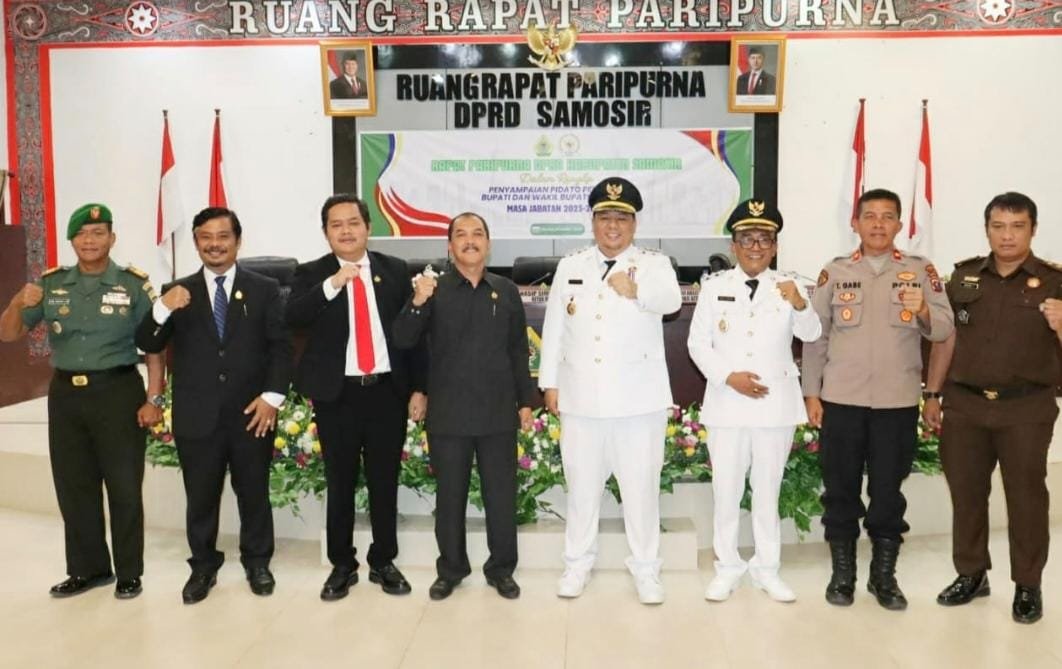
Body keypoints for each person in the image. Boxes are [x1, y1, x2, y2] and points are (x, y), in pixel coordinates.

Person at [0, 203, 163, 600]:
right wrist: (18, 301)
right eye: (82, 235)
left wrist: (154, 397)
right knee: (74, 487)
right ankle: (89, 570)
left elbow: (155, 347)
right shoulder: (51, 284)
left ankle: (129, 573)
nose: (90, 241)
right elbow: (8, 334)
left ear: (112, 238)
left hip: (118, 392)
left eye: (98, 233)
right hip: (66, 397)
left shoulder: (132, 285)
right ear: (71, 241)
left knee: (124, 487)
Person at [802, 188, 954, 610]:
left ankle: (883, 578)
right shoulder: (834, 272)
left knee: (888, 493)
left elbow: (944, 330)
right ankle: (843, 575)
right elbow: (816, 339)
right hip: (842, 400)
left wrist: (923, 310)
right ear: (855, 223)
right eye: (869, 216)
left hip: (896, 403)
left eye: (888, 217)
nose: (878, 224)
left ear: (899, 225)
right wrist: (811, 393)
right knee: (840, 491)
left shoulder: (920, 270)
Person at [135, 207, 292, 604]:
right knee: (201, 497)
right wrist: (162, 307)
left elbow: (280, 348)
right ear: (196, 242)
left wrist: (272, 397)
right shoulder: (176, 290)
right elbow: (148, 341)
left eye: (223, 236)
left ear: (238, 241)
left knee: (253, 493)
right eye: (206, 237)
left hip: (251, 414)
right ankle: (203, 566)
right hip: (197, 414)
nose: (215, 244)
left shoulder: (264, 288)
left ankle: (257, 561)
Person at [539, 176, 682, 604]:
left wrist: (637, 291)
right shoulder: (572, 265)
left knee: (641, 491)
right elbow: (555, 327)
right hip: (581, 399)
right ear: (593, 222)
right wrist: (550, 383)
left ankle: (646, 570)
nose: (613, 226)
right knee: (581, 489)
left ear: (634, 224)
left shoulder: (655, 264)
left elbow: (672, 302)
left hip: (638, 402)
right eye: (605, 217)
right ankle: (577, 565)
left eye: (621, 218)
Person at [924, 192, 1062, 624]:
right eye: (998, 226)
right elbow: (946, 339)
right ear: (986, 229)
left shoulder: (1055, 282)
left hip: (1026, 408)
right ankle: (971, 574)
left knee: (1026, 499)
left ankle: (1028, 584)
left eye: (1017, 226)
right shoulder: (964, 278)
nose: (1007, 235)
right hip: (965, 405)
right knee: (966, 495)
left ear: (1033, 230)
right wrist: (933, 394)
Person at [286, 194, 427, 601]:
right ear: (326, 232)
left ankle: (383, 560)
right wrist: (332, 285)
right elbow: (292, 317)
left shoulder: (394, 270)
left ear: (368, 227)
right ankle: (342, 564)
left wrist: (419, 387)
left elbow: (412, 337)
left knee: (384, 481)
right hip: (338, 396)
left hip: (386, 393)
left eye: (353, 223)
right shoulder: (312, 273)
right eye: (336, 224)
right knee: (341, 482)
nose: (346, 231)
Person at [393, 213, 536, 601]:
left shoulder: (506, 290)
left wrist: (526, 402)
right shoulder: (432, 289)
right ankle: (451, 570)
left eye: (477, 234)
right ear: (449, 246)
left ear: (488, 244)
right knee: (450, 499)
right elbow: (404, 340)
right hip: (449, 413)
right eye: (461, 235)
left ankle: (501, 569)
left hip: (498, 412)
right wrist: (418, 301)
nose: (470, 241)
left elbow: (518, 350)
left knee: (501, 498)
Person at [688, 199, 821, 604]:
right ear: (733, 246)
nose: (756, 247)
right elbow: (697, 344)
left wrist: (800, 303)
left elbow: (812, 334)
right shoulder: (714, 287)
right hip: (727, 404)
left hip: (774, 406)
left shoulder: (790, 286)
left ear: (775, 246)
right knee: (726, 492)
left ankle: (767, 569)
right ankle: (727, 568)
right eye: (747, 239)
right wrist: (729, 377)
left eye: (764, 239)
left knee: (767, 492)